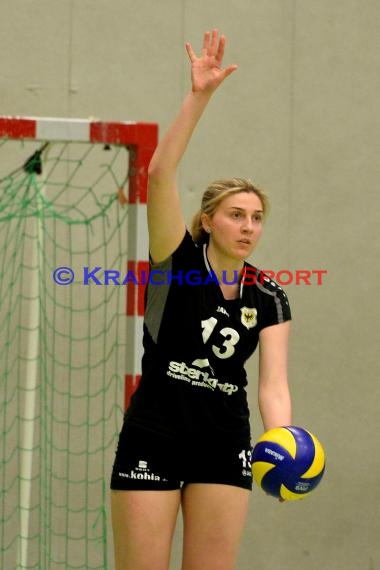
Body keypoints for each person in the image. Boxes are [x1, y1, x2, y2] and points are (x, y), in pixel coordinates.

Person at [110, 29, 292, 570]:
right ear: (208, 220)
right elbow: (160, 172)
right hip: (155, 432)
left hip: (224, 439)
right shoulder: (177, 263)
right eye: (236, 215)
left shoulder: (271, 293)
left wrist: (282, 444)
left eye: (257, 218)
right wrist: (201, 95)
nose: (248, 226)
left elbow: (273, 386)